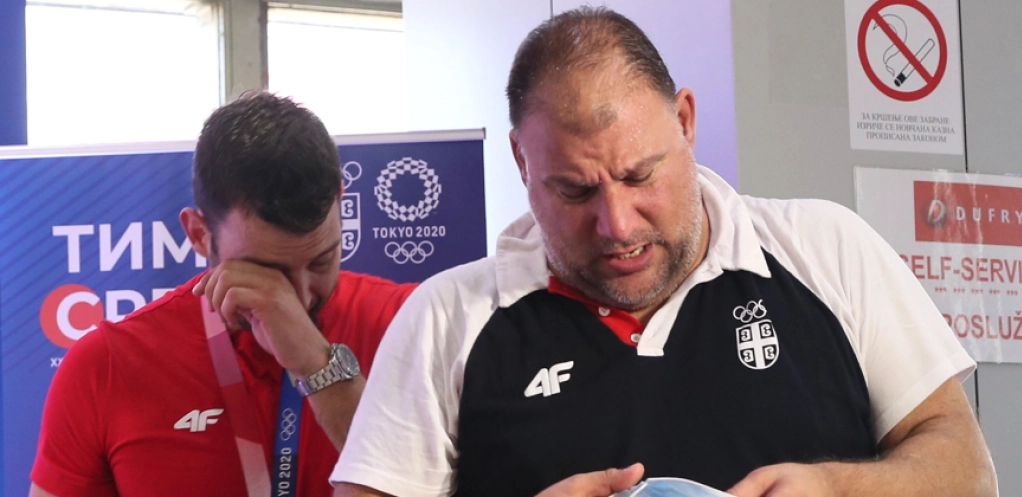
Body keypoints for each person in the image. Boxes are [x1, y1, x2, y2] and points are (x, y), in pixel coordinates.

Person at [329, 7, 996, 497]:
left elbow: (967, 472)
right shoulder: (447, 318)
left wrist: (835, 487)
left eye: (640, 175)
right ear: (521, 162)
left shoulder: (826, 250)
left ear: (685, 121)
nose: (617, 224)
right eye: (575, 190)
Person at [29, 92, 417, 497]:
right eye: (267, 274)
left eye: (322, 261)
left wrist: (317, 364)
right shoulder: (108, 365)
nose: (299, 300)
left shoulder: (411, 323)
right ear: (199, 234)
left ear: (341, 202)